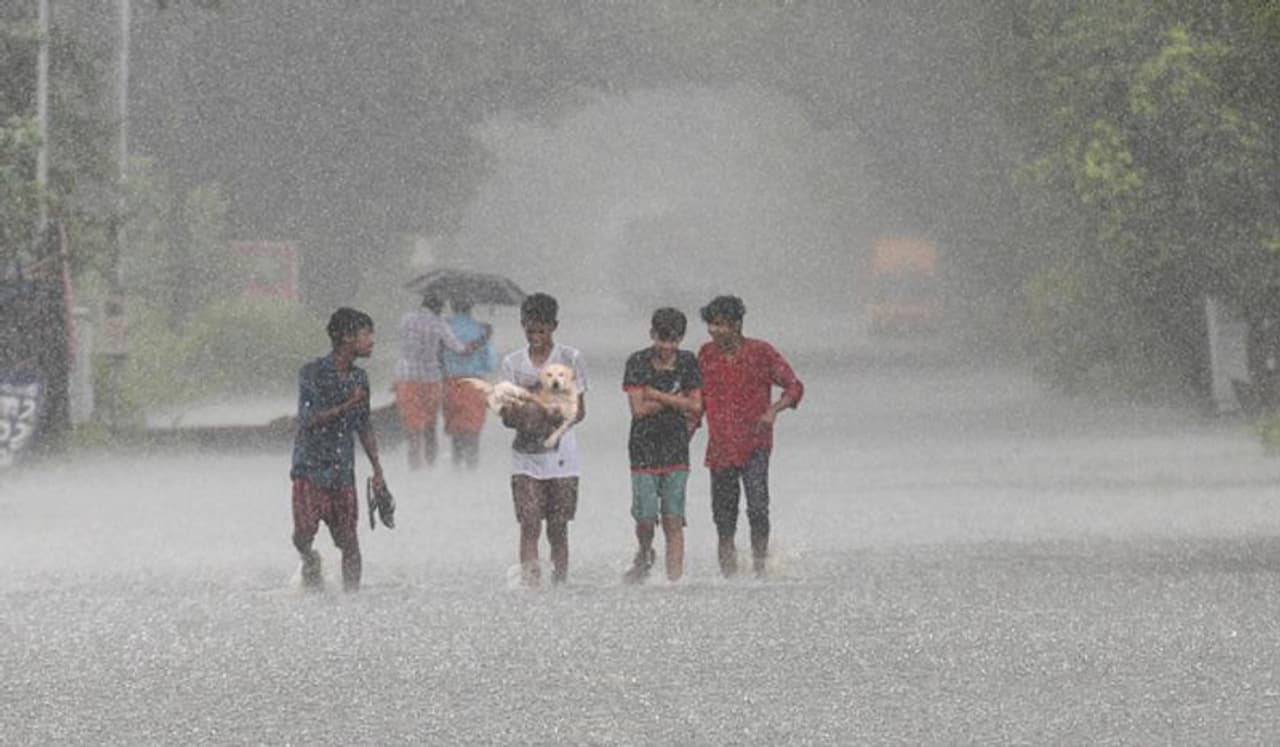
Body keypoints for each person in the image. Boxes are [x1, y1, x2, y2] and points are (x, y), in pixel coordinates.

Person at [696, 295, 804, 578]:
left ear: (736, 325)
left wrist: (773, 410)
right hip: (720, 447)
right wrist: (687, 429)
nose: (713, 331)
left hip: (755, 444)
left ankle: (760, 568)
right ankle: (729, 576)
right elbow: (698, 399)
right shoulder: (705, 355)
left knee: (757, 508)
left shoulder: (761, 353)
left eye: (720, 325)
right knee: (724, 518)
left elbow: (794, 386)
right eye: (711, 325)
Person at [289, 307, 386, 592]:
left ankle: (352, 599)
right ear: (346, 337)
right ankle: (309, 558)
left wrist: (378, 470)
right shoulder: (313, 373)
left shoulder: (359, 378)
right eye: (366, 334)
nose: (371, 341)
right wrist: (348, 405)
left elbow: (363, 425)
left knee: (349, 540)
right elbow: (309, 420)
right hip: (310, 467)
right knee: (304, 533)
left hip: (342, 470)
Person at [497, 292, 587, 586]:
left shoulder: (570, 359)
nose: (536, 337)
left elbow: (579, 411)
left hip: (563, 460)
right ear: (522, 325)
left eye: (542, 331)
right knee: (529, 523)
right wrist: (524, 412)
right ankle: (531, 585)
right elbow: (505, 416)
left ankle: (560, 583)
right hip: (525, 458)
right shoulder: (512, 363)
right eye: (530, 330)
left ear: (554, 326)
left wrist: (552, 411)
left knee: (558, 528)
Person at [621, 307, 703, 584]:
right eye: (662, 339)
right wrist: (676, 400)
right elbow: (638, 410)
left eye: (673, 341)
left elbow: (696, 405)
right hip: (643, 449)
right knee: (645, 518)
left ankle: (673, 582)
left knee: (673, 518)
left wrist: (655, 394)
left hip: (676, 448)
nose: (667, 347)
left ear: (681, 339)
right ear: (652, 334)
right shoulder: (637, 362)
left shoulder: (688, 362)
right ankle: (645, 553)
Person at [393, 293, 488, 470]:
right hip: (430, 379)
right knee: (430, 426)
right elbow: (461, 349)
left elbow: (401, 342)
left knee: (413, 428)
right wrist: (482, 339)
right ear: (438, 307)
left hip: (405, 377)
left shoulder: (406, 319)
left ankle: (415, 469)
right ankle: (431, 465)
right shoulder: (438, 324)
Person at [441, 297, 496, 469]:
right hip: (475, 384)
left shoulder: (444, 328)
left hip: (451, 382)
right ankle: (472, 467)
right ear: (471, 306)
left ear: (452, 305)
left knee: (456, 427)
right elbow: (490, 364)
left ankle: (456, 466)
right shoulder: (482, 331)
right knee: (473, 427)